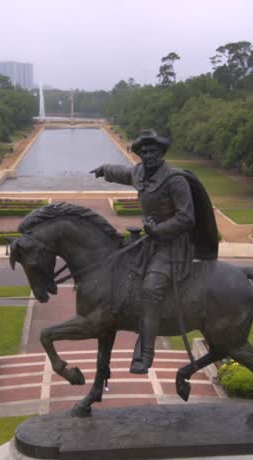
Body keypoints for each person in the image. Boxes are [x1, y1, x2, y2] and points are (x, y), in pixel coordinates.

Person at [91, 130, 215, 373]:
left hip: (174, 244)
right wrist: (105, 169)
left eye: (153, 150)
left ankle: (145, 353)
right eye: (144, 151)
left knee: (150, 290)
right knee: (121, 273)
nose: (148, 154)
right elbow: (126, 173)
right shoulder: (140, 172)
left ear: (161, 153)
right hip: (152, 240)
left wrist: (159, 230)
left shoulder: (175, 179)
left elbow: (186, 217)